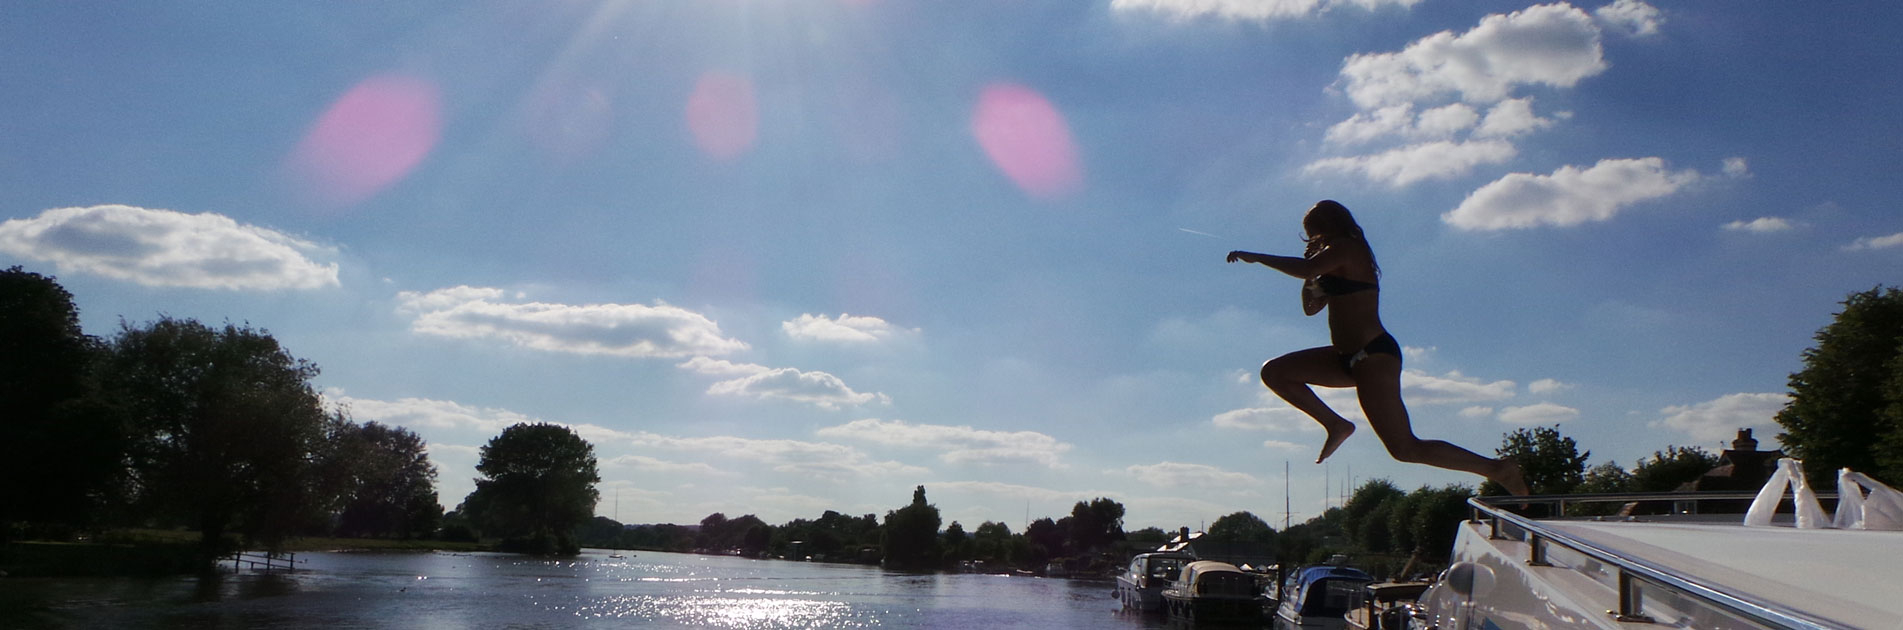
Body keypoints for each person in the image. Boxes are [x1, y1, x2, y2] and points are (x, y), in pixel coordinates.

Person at [1226, 200, 1528, 495]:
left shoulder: (1348, 248)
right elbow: (1311, 307)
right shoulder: (1328, 263)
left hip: (1373, 354)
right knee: (1275, 372)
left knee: (1405, 448)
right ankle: (1336, 424)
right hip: (1345, 358)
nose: (1314, 239)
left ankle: (1496, 468)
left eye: (1315, 232)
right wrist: (1313, 276)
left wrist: (1259, 257)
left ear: (1328, 227)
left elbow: (1305, 269)